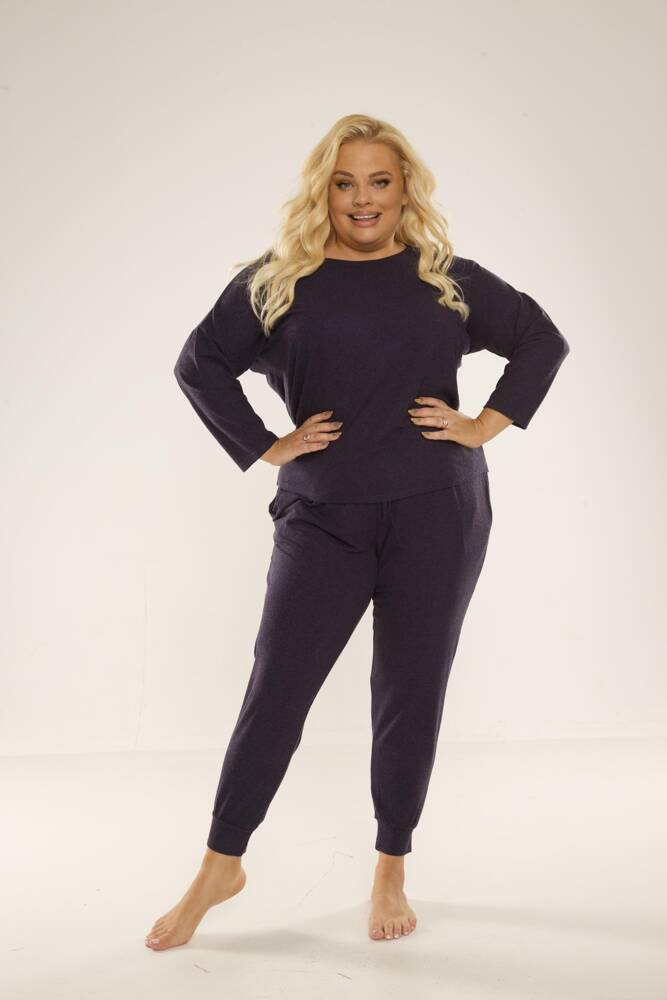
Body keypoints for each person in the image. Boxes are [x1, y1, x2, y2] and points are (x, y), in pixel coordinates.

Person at [145, 113, 570, 950]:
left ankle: (389, 865)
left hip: (437, 511)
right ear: (323, 191)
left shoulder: (445, 278)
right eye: (344, 183)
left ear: (405, 189)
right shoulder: (278, 282)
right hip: (323, 516)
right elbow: (199, 364)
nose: (362, 199)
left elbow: (539, 340)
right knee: (277, 687)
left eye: (379, 181)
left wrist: (482, 426)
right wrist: (266, 445)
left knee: (409, 690)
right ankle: (220, 864)